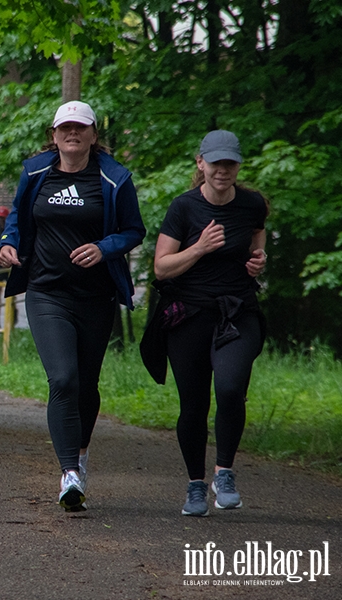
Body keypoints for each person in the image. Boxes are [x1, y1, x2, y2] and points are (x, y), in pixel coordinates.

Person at [0, 100, 146, 512]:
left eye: (81, 128)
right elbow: (17, 220)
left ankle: (79, 454)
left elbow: (135, 230)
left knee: (86, 384)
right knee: (62, 379)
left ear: (94, 135)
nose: (72, 134)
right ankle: (69, 473)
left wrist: (103, 248)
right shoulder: (36, 172)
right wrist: (8, 243)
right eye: (65, 128)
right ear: (55, 134)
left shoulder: (115, 179)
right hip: (46, 291)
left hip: (95, 297)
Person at [141, 130, 268, 517]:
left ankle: (224, 473)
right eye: (215, 163)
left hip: (237, 312)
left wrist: (258, 262)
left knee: (230, 388)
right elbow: (161, 269)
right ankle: (196, 486)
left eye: (229, 163)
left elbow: (258, 250)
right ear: (201, 163)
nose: (222, 171)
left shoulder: (252, 205)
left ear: (237, 166)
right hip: (190, 315)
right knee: (193, 405)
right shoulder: (183, 209)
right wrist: (198, 248)